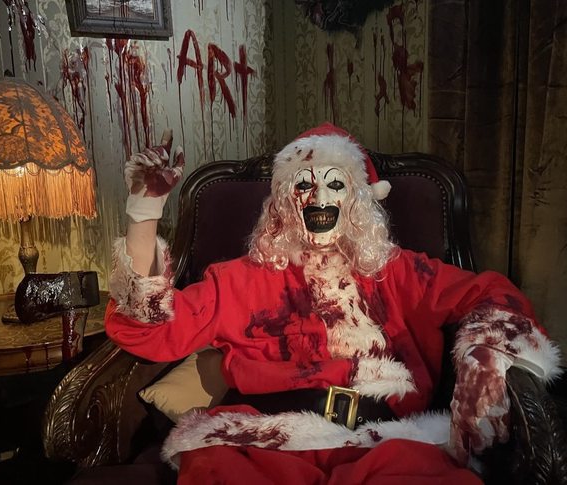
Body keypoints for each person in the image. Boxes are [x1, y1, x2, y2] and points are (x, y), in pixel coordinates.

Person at [105, 123, 562, 484]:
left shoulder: (399, 271)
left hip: (382, 439)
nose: (320, 198)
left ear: (357, 201)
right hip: (262, 437)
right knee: (214, 470)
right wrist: (144, 213)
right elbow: (152, 328)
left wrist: (487, 353)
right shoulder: (241, 278)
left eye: (335, 185)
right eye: (304, 185)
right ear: (283, 203)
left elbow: (488, 293)